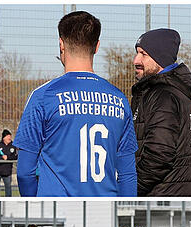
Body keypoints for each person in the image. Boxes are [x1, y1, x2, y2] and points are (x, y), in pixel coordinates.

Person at [14, 10, 137, 196]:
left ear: (61, 44)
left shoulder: (43, 96)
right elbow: (127, 175)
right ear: (96, 46)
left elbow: (25, 172)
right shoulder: (119, 99)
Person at [132, 28, 191, 196]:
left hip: (163, 192)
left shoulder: (163, 96)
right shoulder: (173, 92)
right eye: (137, 53)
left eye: (143, 54)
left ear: (160, 58)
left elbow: (158, 156)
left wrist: (131, 189)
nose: (136, 60)